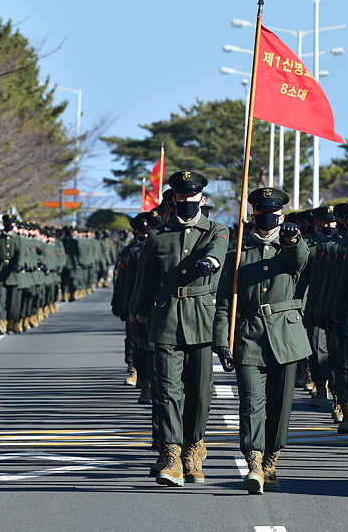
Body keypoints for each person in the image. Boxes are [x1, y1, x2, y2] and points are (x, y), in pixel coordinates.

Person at [132, 170, 229, 487]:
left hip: (201, 321)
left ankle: (193, 449)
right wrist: (140, 319)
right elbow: (145, 284)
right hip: (166, 320)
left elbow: (218, 252)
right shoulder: (158, 237)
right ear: (173, 199)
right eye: (181, 197)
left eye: (192, 197)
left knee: (200, 395)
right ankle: (172, 455)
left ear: (202, 198)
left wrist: (211, 263)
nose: (187, 202)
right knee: (168, 393)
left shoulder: (216, 230)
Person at [213, 187, 309, 494]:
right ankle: (253, 462)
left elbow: (300, 264)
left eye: (274, 214)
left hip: (285, 335)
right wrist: (221, 341)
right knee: (251, 403)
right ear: (254, 216)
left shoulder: (290, 248)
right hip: (249, 335)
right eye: (262, 214)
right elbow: (224, 303)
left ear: (282, 216)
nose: (268, 219)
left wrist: (292, 239)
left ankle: (271, 461)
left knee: (279, 406)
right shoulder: (238, 253)